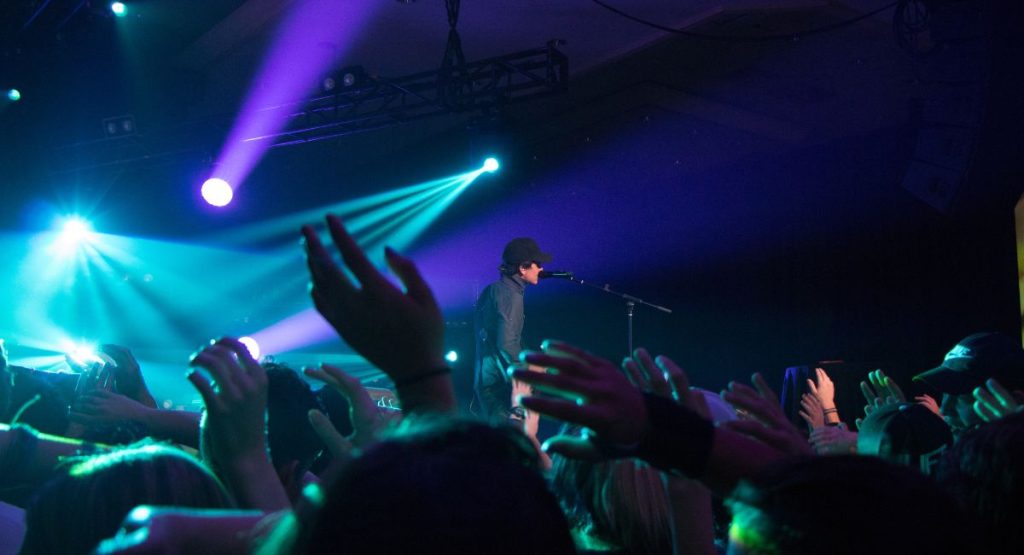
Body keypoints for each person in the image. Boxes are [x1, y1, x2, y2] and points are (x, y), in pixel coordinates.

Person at [474, 237, 551, 424]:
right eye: (537, 264)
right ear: (523, 268)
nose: (541, 269)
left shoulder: (495, 290)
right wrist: (528, 372)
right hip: (501, 389)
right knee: (514, 445)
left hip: (490, 383)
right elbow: (507, 343)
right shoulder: (510, 296)